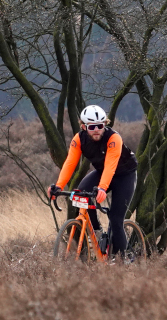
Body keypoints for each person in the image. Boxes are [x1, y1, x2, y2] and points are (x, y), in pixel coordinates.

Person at [47, 104, 138, 256]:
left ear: (105, 124)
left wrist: (102, 187)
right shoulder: (79, 139)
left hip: (124, 175)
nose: (96, 129)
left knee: (116, 219)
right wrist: (58, 186)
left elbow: (110, 165)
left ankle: (124, 260)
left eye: (100, 125)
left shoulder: (114, 138)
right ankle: (96, 231)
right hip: (103, 172)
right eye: (92, 127)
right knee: (81, 193)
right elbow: (70, 163)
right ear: (83, 127)